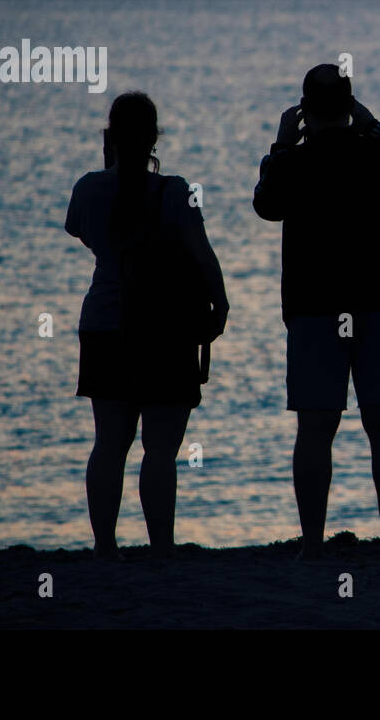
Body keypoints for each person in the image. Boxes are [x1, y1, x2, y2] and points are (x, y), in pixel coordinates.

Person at [253, 64, 380, 560]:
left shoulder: (294, 162)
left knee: (315, 429)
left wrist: (280, 146)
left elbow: (265, 205)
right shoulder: (375, 152)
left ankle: (312, 545)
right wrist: (376, 128)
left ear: (305, 111)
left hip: (316, 309)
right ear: (351, 105)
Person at [66, 91, 229, 560]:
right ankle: (161, 547)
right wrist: (219, 304)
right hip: (165, 329)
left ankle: (104, 546)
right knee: (159, 450)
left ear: (110, 136)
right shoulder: (175, 192)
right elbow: (202, 252)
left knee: (109, 445)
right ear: (156, 137)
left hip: (104, 324)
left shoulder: (88, 188)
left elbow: (80, 231)